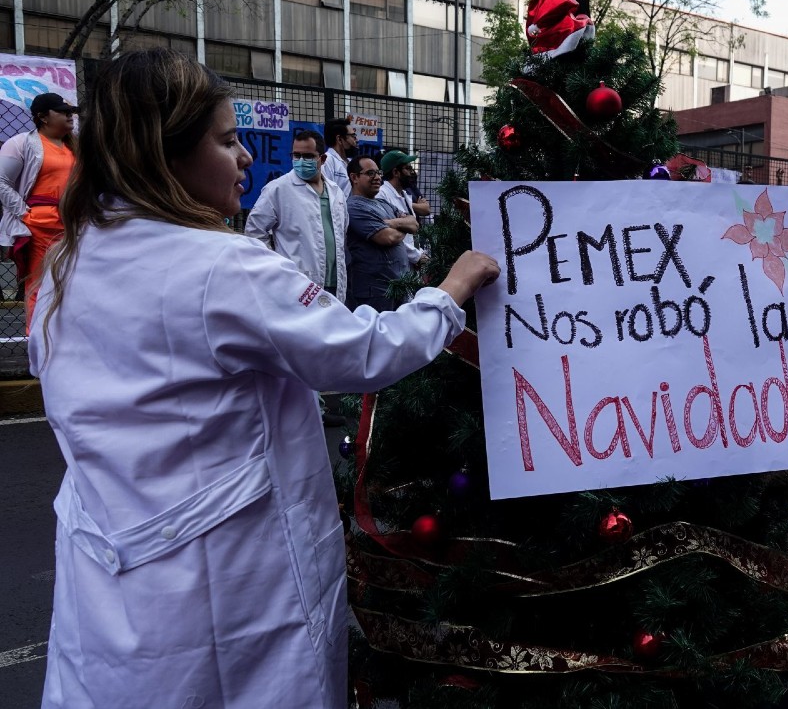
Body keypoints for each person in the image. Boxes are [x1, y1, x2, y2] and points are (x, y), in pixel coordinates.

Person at [29, 48, 499, 709]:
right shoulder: (221, 267)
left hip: (112, 567)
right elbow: (362, 352)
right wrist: (450, 293)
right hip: (229, 578)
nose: (247, 156)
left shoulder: (68, 263)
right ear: (166, 156)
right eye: (226, 142)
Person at [0, 92, 77, 325]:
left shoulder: (75, 146)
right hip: (40, 226)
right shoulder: (21, 143)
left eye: (70, 111)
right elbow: (1, 182)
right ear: (43, 117)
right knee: (40, 285)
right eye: (62, 111)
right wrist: (26, 214)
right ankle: (37, 339)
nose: (70, 115)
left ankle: (64, 337)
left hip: (73, 224)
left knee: (72, 285)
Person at [246, 129, 349, 303]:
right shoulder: (278, 189)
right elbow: (254, 232)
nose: (301, 161)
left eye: (308, 156)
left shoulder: (336, 191)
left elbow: (342, 232)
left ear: (322, 159)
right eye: (296, 155)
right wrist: (276, 268)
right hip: (297, 283)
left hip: (335, 283)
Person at [346, 155, 422, 311]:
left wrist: (393, 223)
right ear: (354, 177)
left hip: (399, 287)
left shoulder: (382, 203)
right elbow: (387, 237)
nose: (377, 177)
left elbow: (414, 224)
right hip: (376, 292)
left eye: (378, 172)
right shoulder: (353, 207)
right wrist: (403, 227)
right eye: (370, 173)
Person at [377, 149, 427, 267]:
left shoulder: (404, 194)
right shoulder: (382, 195)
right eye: (408, 168)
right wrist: (417, 256)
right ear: (396, 172)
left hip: (410, 263)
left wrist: (419, 254)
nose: (412, 172)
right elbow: (388, 234)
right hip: (396, 264)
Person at [320, 117, 356, 198]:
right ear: (339, 139)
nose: (356, 140)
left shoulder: (351, 162)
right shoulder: (327, 161)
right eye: (353, 136)